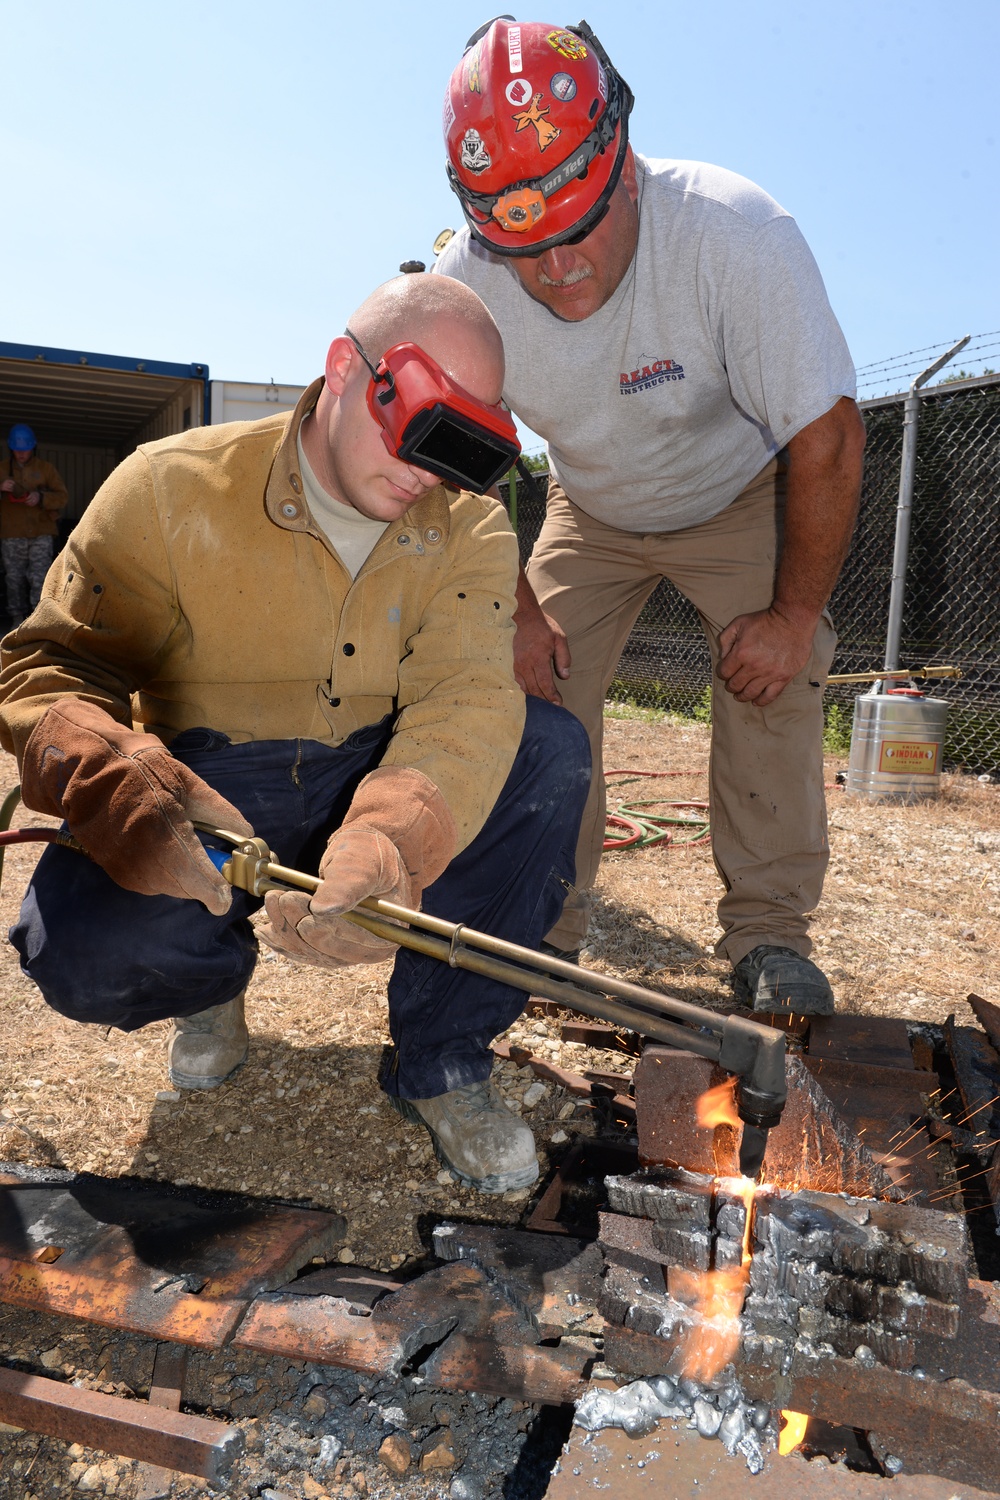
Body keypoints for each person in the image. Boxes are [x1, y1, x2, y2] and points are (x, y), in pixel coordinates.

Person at [0, 274, 590, 1194]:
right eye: (423, 432)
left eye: (461, 451)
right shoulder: (165, 489)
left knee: (547, 751)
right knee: (84, 957)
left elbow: (467, 698)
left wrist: (395, 833)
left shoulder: (467, 523)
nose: (429, 475)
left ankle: (441, 1061)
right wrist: (105, 767)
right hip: (207, 779)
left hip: (373, 760)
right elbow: (49, 667)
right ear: (345, 370)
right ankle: (211, 980)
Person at [435, 18, 867, 1015]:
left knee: (774, 675)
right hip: (587, 501)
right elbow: (457, 472)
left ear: (621, 163)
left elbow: (828, 440)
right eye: (524, 247)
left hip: (734, 490)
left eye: (576, 230)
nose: (557, 271)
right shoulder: (466, 287)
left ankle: (767, 937)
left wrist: (792, 618)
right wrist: (516, 613)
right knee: (524, 692)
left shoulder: (734, 232)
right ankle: (540, 929)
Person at [1, 424, 68, 626]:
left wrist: (41, 497)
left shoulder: (46, 469)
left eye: (25, 449)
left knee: (40, 578)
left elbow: (63, 497)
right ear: (11, 448)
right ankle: (17, 619)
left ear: (33, 447)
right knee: (13, 578)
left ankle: (37, 620)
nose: (21, 454)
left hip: (41, 532)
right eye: (17, 449)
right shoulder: (2, 469)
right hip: (12, 533)